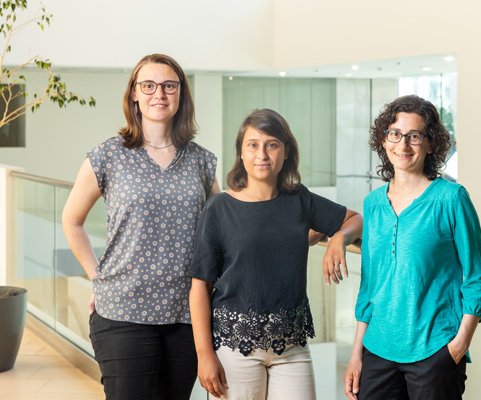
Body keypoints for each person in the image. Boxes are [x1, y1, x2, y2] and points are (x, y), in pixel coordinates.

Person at [62, 53, 219, 400]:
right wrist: (97, 277)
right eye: (148, 85)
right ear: (134, 93)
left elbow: (221, 229)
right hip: (123, 313)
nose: (158, 94)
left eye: (168, 86)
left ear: (181, 95)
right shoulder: (108, 155)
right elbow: (72, 221)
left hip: (186, 314)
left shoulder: (201, 161)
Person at [188, 108, 362, 400]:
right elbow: (199, 287)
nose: (262, 154)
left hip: (291, 348)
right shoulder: (218, 208)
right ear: (241, 154)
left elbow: (355, 219)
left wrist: (338, 239)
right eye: (253, 145)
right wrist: (205, 355)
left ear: (285, 153)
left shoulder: (300, 200)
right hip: (235, 349)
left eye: (272, 145)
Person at [343, 95, 481, 400]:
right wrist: (356, 355)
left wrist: (458, 346)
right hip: (377, 350)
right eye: (395, 134)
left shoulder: (452, 199)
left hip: (434, 350)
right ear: (384, 140)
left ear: (430, 143)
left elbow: (477, 279)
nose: (403, 145)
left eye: (414, 136)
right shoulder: (372, 204)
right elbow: (369, 287)